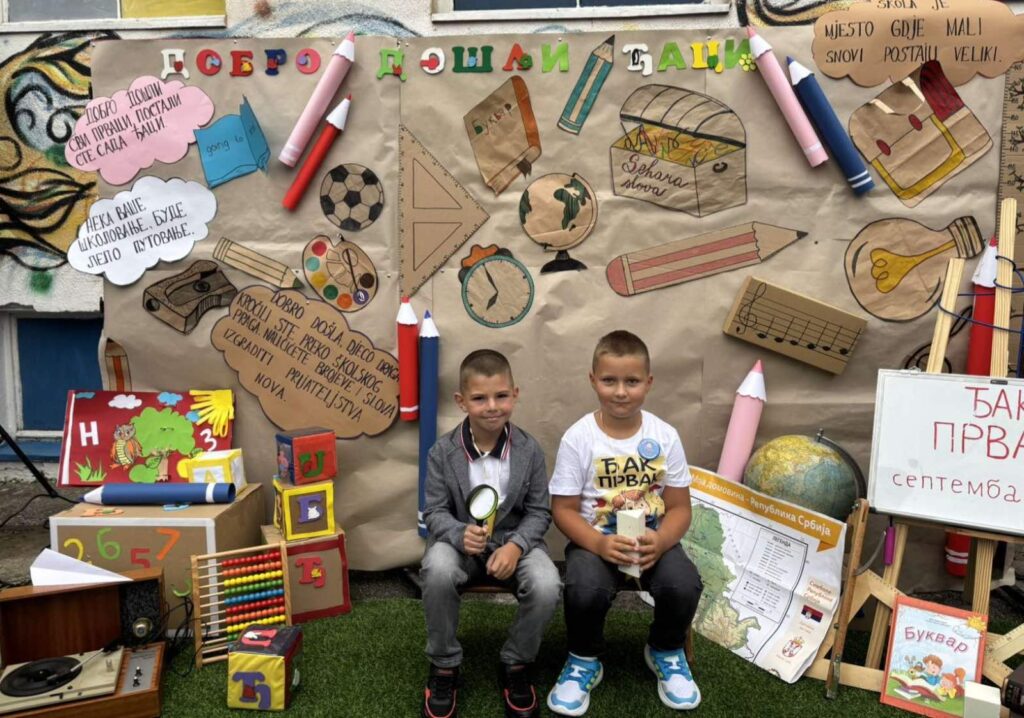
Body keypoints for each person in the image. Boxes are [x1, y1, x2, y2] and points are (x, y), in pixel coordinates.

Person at [547, 330, 704, 715]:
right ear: (592, 380)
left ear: (648, 383)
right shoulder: (578, 438)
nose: (620, 392)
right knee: (583, 588)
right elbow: (563, 509)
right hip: (595, 540)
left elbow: (680, 508)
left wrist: (661, 541)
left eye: (631, 381)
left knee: (684, 584)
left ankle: (665, 649)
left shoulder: (665, 436)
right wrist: (599, 544)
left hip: (652, 540)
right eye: (609, 380)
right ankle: (584, 657)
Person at [421, 349, 561, 718]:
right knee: (437, 569)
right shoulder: (442, 452)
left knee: (547, 583)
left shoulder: (529, 451)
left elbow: (539, 512)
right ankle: (444, 664)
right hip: (459, 544)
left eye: (501, 396)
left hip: (514, 543)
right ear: (461, 401)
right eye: (480, 398)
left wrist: (516, 547)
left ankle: (516, 661)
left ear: (515, 394)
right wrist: (458, 533)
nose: (492, 407)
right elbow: (433, 511)